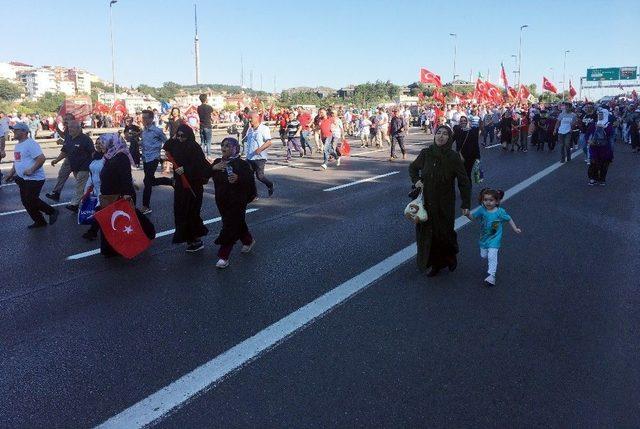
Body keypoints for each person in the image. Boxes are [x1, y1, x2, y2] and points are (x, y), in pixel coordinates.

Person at [408, 125, 471, 277]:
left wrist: (465, 204)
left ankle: (450, 256)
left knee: (445, 233)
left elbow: (464, 181)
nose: (441, 136)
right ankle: (434, 264)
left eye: (445, 134)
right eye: (438, 133)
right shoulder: (426, 153)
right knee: (428, 233)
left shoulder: (453, 157)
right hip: (426, 201)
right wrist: (416, 180)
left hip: (445, 202)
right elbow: (413, 168)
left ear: (449, 138)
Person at [163, 124, 211, 252]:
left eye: (182, 136)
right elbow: (166, 146)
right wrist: (173, 137)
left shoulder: (194, 147)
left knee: (192, 212)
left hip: (193, 185)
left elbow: (200, 164)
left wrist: (186, 169)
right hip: (180, 185)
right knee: (181, 211)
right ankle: (188, 238)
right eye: (178, 135)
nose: (180, 138)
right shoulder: (176, 144)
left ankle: (196, 239)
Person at [211, 137, 257, 268]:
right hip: (222, 200)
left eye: (228, 146)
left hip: (237, 201)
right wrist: (213, 168)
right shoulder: (217, 162)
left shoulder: (242, 164)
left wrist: (238, 178)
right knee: (237, 222)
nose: (224, 148)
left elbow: (249, 182)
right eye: (222, 145)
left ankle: (223, 256)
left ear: (235, 148)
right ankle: (248, 240)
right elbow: (204, 175)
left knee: (229, 226)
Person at [3, 123, 59, 228]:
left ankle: (52, 211)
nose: (13, 132)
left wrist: (32, 170)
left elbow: (41, 158)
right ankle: (40, 221)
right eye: (13, 130)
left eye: (16, 130)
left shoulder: (31, 144)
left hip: (34, 178)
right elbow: (17, 162)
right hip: (22, 179)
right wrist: (10, 174)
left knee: (31, 200)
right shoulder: (18, 145)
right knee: (26, 202)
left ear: (24, 132)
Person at [465, 188, 522, 287]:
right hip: (484, 239)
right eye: (485, 200)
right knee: (483, 255)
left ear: (496, 201)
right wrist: (467, 214)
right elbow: (473, 218)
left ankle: (491, 276)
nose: (488, 202)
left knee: (492, 255)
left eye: (491, 200)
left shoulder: (500, 212)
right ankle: (490, 265)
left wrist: (515, 228)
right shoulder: (482, 210)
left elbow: (509, 219)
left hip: (495, 239)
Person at [98, 133, 137, 257]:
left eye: (103, 142)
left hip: (118, 196)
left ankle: (119, 248)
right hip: (108, 196)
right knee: (111, 224)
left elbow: (125, 177)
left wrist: (127, 193)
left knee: (119, 224)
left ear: (111, 142)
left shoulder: (121, 156)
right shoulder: (109, 156)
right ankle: (111, 249)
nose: (101, 145)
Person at [48, 120, 94, 212]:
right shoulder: (68, 138)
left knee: (79, 185)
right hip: (74, 166)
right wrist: (56, 160)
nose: (70, 130)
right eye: (69, 128)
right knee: (83, 186)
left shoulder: (86, 139)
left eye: (72, 128)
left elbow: (93, 153)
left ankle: (74, 204)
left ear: (79, 128)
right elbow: (65, 151)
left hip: (84, 166)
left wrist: (93, 167)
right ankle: (89, 198)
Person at [140, 109, 172, 214]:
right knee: (150, 180)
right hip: (145, 158)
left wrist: (165, 155)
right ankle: (171, 181)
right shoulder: (143, 131)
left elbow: (166, 142)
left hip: (154, 158)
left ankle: (146, 206)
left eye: (145, 117)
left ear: (151, 118)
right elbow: (145, 143)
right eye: (142, 117)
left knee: (147, 182)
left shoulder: (157, 131)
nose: (143, 119)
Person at [45, 113, 75, 202]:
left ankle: (82, 198)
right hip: (69, 158)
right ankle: (56, 193)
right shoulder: (67, 128)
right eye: (64, 119)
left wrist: (56, 160)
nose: (65, 121)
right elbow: (65, 138)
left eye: (67, 119)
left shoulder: (74, 129)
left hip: (77, 158)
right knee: (62, 175)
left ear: (73, 120)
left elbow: (68, 146)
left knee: (80, 180)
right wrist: (57, 129)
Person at [81, 136, 107, 241]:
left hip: (106, 191)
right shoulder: (94, 156)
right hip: (97, 191)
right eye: (96, 143)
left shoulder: (109, 157)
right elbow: (92, 176)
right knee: (102, 214)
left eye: (100, 143)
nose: (98, 145)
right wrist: (86, 191)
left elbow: (118, 172)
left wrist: (131, 182)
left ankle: (92, 232)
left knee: (99, 212)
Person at [244, 111, 274, 196]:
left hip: (260, 158)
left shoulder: (264, 128)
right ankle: (254, 195)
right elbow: (246, 141)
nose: (250, 120)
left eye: (251, 118)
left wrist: (260, 149)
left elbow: (269, 142)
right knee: (248, 177)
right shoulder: (250, 129)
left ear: (257, 118)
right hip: (250, 157)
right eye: (249, 119)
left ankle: (270, 184)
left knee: (260, 176)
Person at [587, 108, 614, 186]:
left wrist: (604, 128)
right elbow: (588, 132)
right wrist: (588, 140)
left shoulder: (608, 124)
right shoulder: (594, 123)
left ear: (605, 115)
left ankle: (602, 179)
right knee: (593, 162)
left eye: (601, 114)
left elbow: (610, 134)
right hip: (594, 146)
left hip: (604, 147)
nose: (599, 116)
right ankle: (592, 179)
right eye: (598, 114)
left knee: (604, 164)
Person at [453, 116, 481, 180]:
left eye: (465, 121)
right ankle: (464, 187)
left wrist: (478, 157)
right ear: (459, 122)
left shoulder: (472, 131)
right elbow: (451, 140)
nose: (463, 122)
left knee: (467, 173)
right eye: (461, 121)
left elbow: (475, 144)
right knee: (460, 174)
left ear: (467, 122)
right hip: (460, 156)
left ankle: (468, 188)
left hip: (470, 157)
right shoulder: (458, 130)